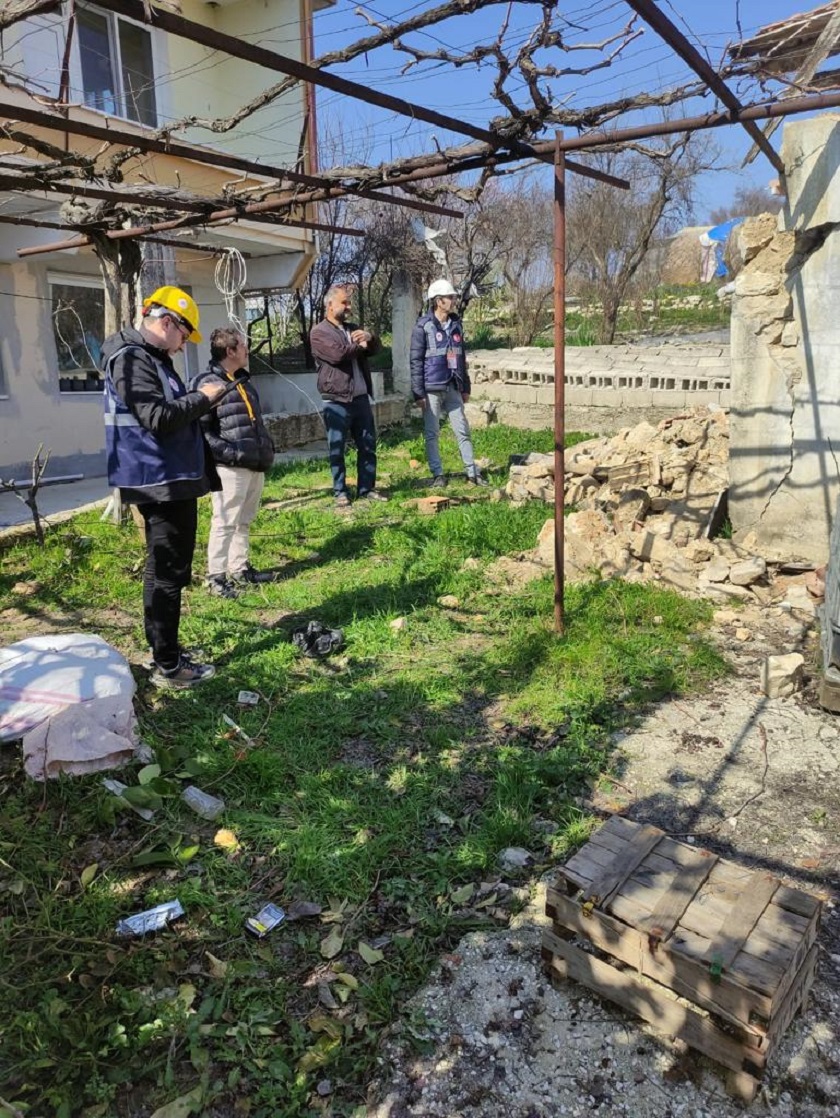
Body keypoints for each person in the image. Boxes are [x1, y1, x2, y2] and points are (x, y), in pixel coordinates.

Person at [102, 286, 225, 688]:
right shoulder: (133, 360)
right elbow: (156, 417)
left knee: (162, 571)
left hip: (164, 478)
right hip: (158, 480)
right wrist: (203, 399)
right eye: (183, 337)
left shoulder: (149, 359)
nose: (181, 347)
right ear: (168, 322)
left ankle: (164, 653)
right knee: (169, 575)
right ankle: (170, 665)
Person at [191, 327, 276, 598]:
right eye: (243, 346)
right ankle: (216, 577)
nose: (247, 351)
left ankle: (239, 568)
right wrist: (230, 454)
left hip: (253, 462)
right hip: (230, 465)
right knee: (225, 520)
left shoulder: (242, 381)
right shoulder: (207, 383)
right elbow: (202, 432)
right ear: (230, 351)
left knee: (244, 520)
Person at [310, 284, 387, 507]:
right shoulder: (319, 332)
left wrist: (370, 338)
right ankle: (340, 492)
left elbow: (375, 349)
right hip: (336, 401)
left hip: (360, 399)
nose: (349, 307)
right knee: (337, 448)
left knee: (367, 446)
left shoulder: (352, 328)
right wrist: (360, 345)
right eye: (344, 302)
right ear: (330, 304)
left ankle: (366, 489)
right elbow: (338, 355)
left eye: (349, 302)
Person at [410, 279, 487, 488]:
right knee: (432, 433)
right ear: (438, 301)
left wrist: (466, 386)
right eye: (449, 297)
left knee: (462, 429)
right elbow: (415, 361)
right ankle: (438, 475)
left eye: (453, 297)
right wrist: (418, 393)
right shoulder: (423, 327)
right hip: (431, 388)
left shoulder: (456, 325)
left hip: (453, 385)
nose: (453, 300)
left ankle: (472, 473)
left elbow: (461, 358)